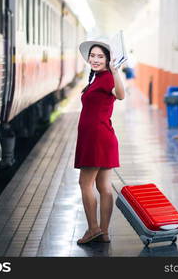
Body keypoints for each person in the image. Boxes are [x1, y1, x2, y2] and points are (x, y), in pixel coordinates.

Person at [75, 38, 125, 244]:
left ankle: (93, 229)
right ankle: (103, 232)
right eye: (93, 56)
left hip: (96, 138)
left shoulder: (107, 78)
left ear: (108, 60)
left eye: (100, 56)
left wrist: (115, 71)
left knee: (84, 183)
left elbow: (121, 95)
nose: (95, 59)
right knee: (104, 186)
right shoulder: (96, 78)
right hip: (102, 137)